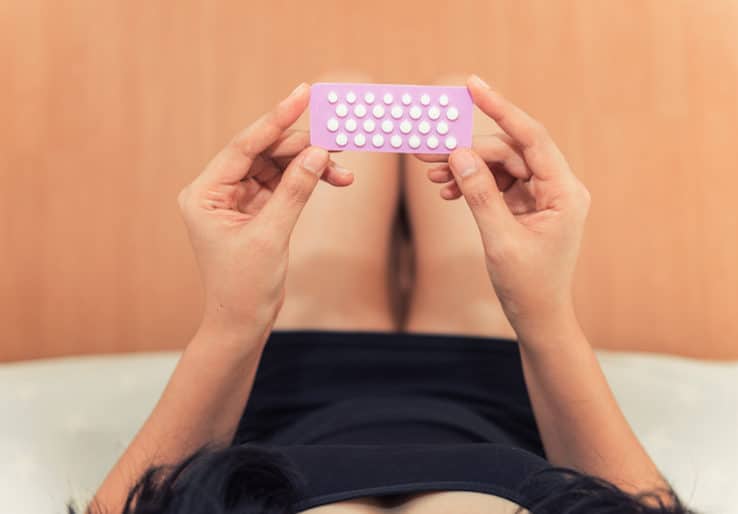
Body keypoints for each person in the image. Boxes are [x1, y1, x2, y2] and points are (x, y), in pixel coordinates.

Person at [83, 74, 694, 514]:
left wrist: (235, 320)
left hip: (294, 390)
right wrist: (544, 312)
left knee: (353, 100)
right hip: (494, 395)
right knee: (460, 115)